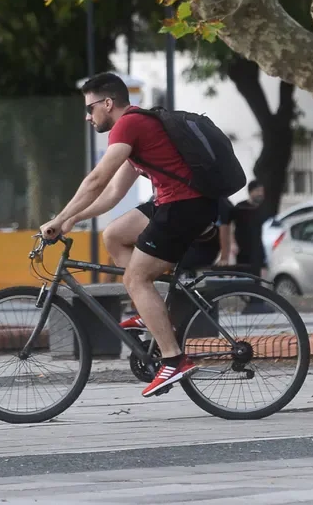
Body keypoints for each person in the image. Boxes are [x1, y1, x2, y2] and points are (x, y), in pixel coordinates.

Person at [42, 72, 221, 398]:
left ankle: (173, 359)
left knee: (135, 279)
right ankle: (149, 310)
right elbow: (111, 193)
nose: (87, 116)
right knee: (113, 235)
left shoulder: (129, 125)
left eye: (90, 108)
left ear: (108, 103)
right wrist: (73, 219)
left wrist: (58, 217)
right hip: (172, 203)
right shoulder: (138, 128)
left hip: (185, 207)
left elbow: (95, 180)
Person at [230, 180, 268, 275]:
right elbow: (230, 225)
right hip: (241, 250)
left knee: (256, 282)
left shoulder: (263, 210)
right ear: (251, 192)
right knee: (242, 279)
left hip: (257, 251)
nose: (260, 194)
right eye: (258, 191)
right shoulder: (240, 207)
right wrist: (232, 243)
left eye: (262, 191)